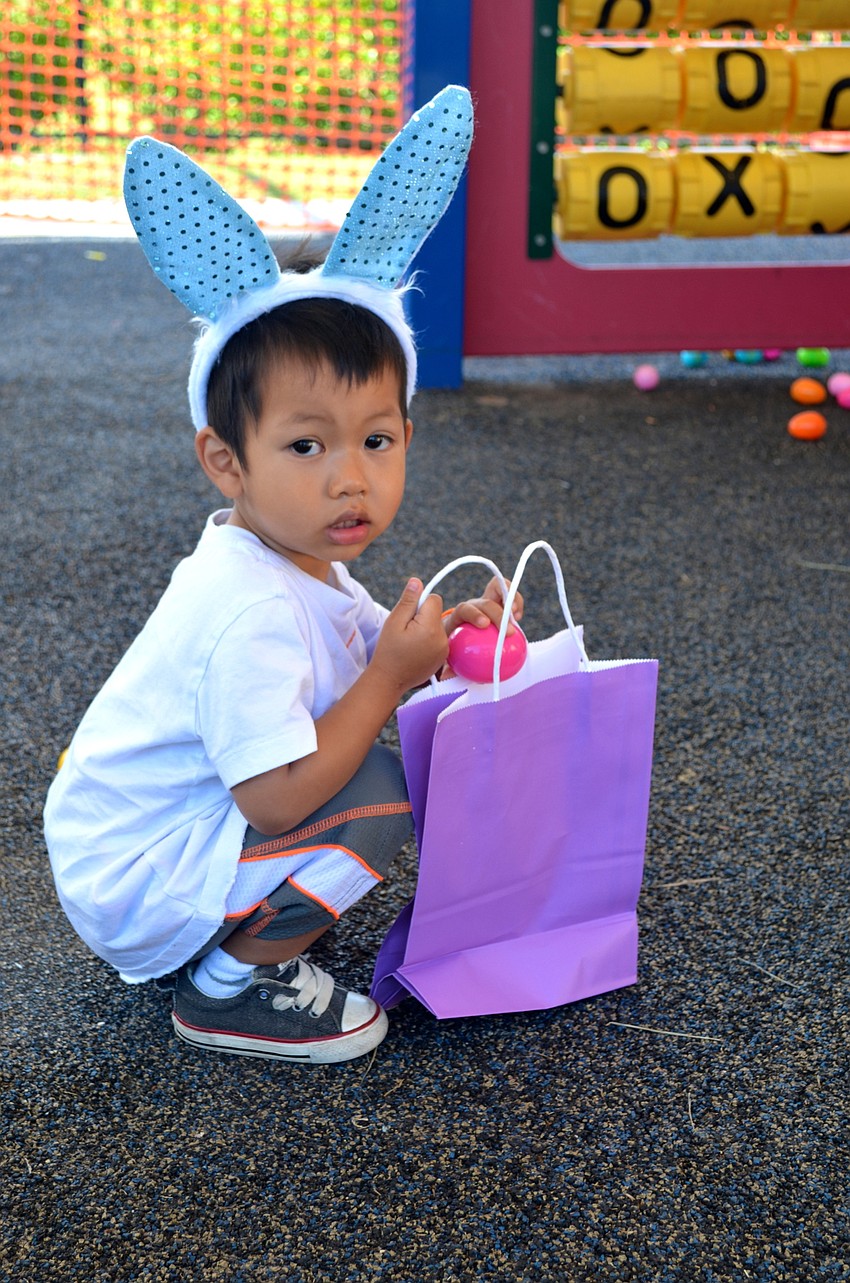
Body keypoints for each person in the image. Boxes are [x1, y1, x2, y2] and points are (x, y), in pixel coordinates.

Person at [44, 86, 521, 1064]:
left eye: (376, 438)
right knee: (379, 792)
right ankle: (231, 987)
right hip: (132, 879)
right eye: (306, 444)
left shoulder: (289, 558)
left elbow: (353, 672)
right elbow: (274, 798)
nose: (351, 474)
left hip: (150, 840)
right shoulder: (250, 605)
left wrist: (437, 647)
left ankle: (243, 921)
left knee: (357, 763)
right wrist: (391, 679)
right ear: (225, 460)